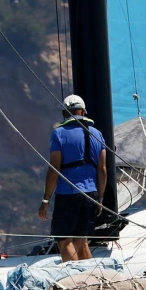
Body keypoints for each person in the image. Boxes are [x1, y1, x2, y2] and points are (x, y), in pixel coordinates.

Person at [40, 93, 108, 262]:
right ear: (83, 112)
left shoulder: (59, 134)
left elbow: (54, 169)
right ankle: (91, 280)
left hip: (68, 195)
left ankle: (76, 281)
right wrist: (99, 198)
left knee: (64, 241)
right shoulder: (97, 134)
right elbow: (103, 170)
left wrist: (46, 200)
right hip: (91, 194)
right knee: (81, 241)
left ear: (64, 113)